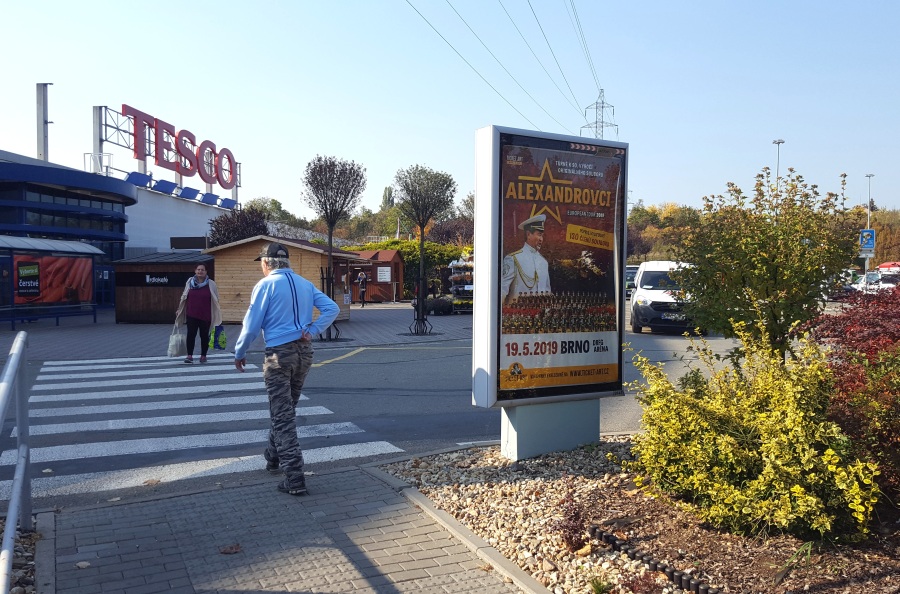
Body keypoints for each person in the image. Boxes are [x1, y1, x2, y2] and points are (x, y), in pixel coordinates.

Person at [234, 243, 339, 496]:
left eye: (261, 263)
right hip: (304, 352)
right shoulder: (304, 283)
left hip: (279, 354)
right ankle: (273, 456)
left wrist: (240, 351)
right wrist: (313, 330)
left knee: (283, 416)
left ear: (266, 263)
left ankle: (294, 477)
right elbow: (332, 308)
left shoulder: (266, 285)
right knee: (286, 408)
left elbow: (251, 326)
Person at [175, 263, 222, 364]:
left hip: (206, 315)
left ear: (206, 272)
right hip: (192, 313)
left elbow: (216, 299)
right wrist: (180, 309)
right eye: (198, 269)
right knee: (191, 335)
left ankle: (203, 355)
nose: (200, 271)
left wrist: (217, 312)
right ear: (195, 271)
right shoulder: (190, 282)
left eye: (202, 270)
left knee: (204, 336)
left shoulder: (211, 284)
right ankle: (189, 355)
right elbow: (184, 296)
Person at [500, 214, 551, 304]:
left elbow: (547, 292)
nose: (541, 239)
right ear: (528, 234)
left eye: (542, 236)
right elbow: (502, 290)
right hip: (517, 311)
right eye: (539, 235)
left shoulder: (544, 262)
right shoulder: (513, 259)